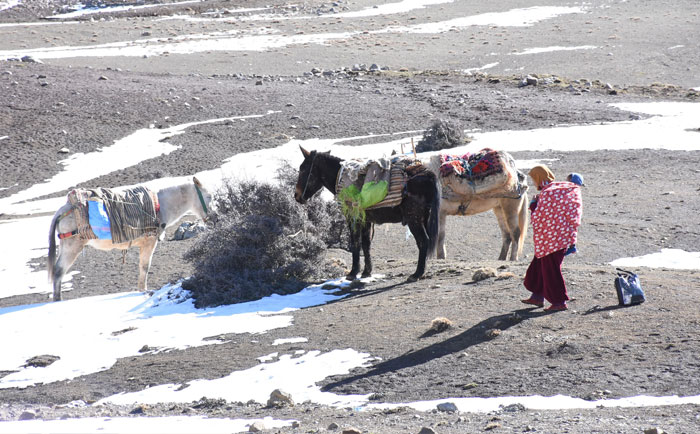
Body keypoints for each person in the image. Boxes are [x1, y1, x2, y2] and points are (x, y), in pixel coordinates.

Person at [521, 165, 583, 312]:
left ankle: (559, 302)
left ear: (538, 178)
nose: (533, 183)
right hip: (557, 238)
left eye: (533, 179)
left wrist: (533, 204)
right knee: (538, 268)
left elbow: (540, 217)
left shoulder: (548, 194)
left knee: (551, 270)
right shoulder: (559, 190)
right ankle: (537, 296)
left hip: (552, 240)